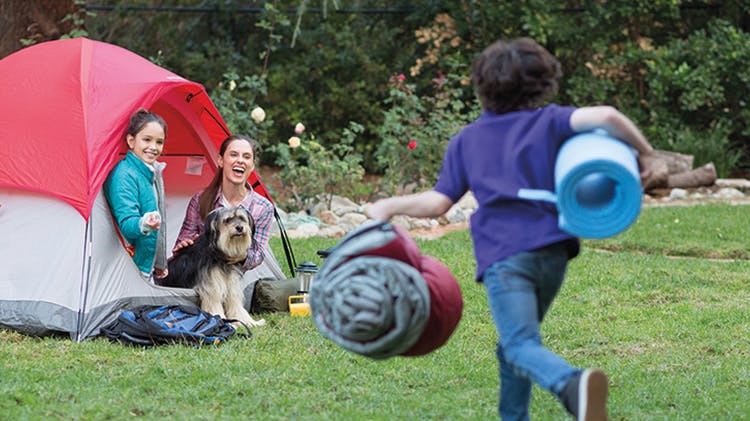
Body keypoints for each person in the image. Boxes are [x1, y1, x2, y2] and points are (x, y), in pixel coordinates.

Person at [368, 37, 659, 421]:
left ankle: (572, 385)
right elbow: (607, 116)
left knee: (519, 343)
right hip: (553, 253)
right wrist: (649, 154)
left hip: (505, 256)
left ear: (482, 85)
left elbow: (439, 202)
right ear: (541, 83)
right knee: (514, 346)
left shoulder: (466, 140)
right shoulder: (550, 121)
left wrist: (388, 206)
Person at [171, 134, 274, 271]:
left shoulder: (263, 208)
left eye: (246, 157)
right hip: (201, 275)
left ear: (252, 165)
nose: (240, 161)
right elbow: (182, 242)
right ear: (220, 160)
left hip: (235, 277)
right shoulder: (200, 200)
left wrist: (241, 256)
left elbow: (257, 255)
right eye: (233, 155)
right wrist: (185, 246)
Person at [104, 109, 169, 281]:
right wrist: (144, 224)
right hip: (131, 266)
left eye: (159, 142)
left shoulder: (153, 171)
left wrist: (160, 263)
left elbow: (160, 224)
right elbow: (126, 223)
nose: (153, 147)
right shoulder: (124, 175)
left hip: (147, 264)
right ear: (131, 141)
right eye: (147, 140)